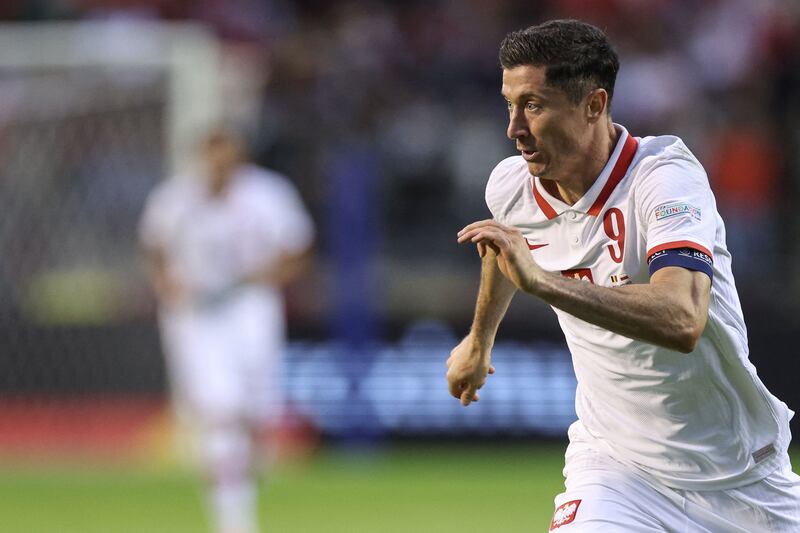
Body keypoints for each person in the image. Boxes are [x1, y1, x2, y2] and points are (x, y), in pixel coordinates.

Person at [446, 19, 800, 532]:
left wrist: (542, 283)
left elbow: (682, 319)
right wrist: (480, 341)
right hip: (617, 470)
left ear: (594, 105)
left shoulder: (664, 178)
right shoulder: (511, 186)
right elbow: (503, 247)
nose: (514, 128)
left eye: (534, 105)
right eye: (510, 104)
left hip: (740, 480)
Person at [139, 129, 314, 533]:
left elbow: (297, 248)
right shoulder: (174, 199)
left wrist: (264, 274)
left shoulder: (268, 194)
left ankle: (240, 475)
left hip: (250, 308)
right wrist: (165, 282)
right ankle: (233, 521)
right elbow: (153, 245)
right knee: (221, 410)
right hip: (196, 315)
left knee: (254, 414)